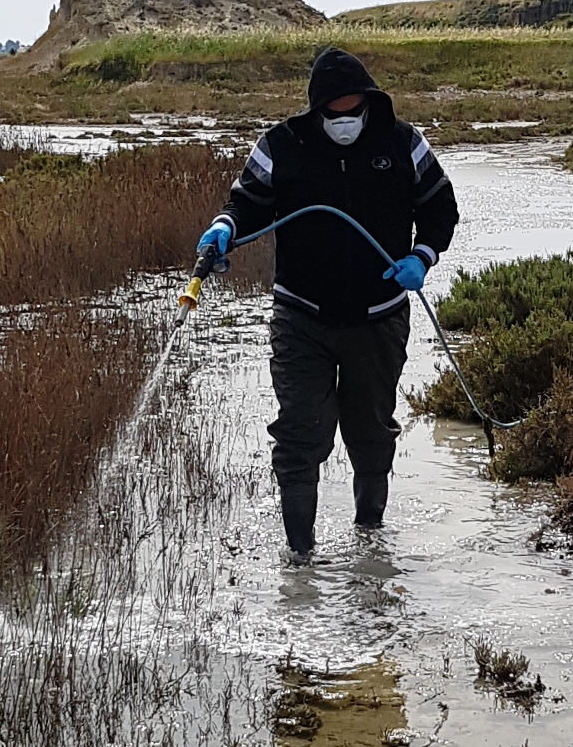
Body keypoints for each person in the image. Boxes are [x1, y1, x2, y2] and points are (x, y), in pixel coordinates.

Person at [197, 47, 459, 557]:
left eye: (353, 110)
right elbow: (245, 202)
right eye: (333, 112)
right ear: (316, 109)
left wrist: (422, 258)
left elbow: (441, 208)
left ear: (370, 102)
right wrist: (225, 228)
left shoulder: (404, 144)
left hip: (379, 319)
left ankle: (370, 548)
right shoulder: (281, 145)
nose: (344, 121)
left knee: (371, 434)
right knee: (300, 434)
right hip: (301, 318)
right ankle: (300, 561)